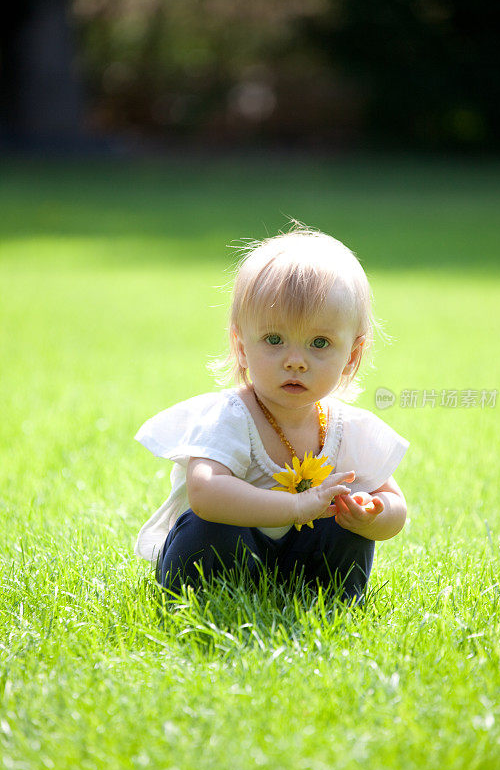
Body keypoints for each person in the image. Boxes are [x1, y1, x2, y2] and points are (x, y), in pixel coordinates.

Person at [134, 224, 409, 603]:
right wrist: (295, 506)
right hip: (230, 551)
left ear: (353, 356)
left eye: (319, 343)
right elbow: (205, 491)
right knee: (210, 528)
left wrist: (374, 513)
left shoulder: (349, 431)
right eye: (275, 340)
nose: (295, 361)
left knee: (347, 528)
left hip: (300, 559)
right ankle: (209, 592)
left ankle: (328, 597)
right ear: (241, 346)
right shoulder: (232, 417)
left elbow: (395, 504)